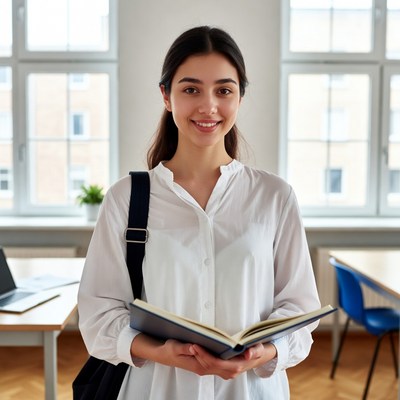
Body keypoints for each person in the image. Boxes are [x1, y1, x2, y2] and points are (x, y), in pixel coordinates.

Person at [78, 25, 321, 400]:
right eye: (191, 89)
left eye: (224, 90)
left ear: (240, 97)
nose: (208, 107)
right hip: (154, 389)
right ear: (166, 95)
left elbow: (298, 307)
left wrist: (264, 351)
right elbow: (98, 314)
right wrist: (158, 351)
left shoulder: (275, 196)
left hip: (252, 390)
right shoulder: (125, 199)